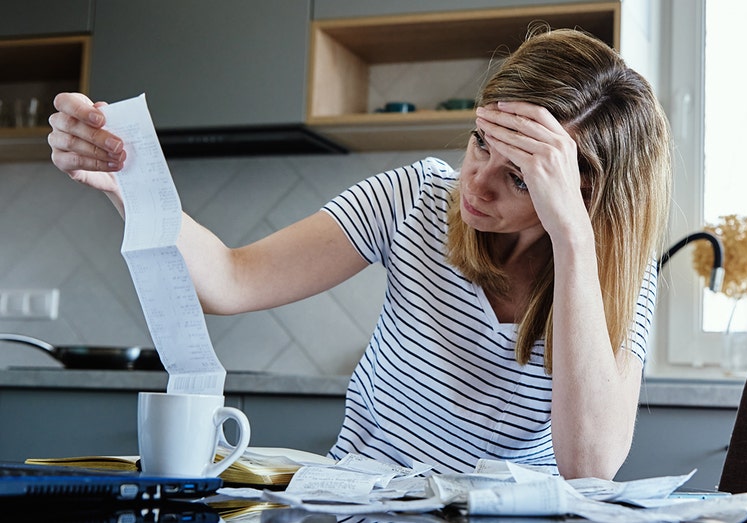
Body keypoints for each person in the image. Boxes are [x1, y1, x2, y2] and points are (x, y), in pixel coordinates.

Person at [46, 28, 672, 480]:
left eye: (520, 177)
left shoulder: (610, 268)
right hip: (363, 504)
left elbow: (590, 465)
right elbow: (231, 281)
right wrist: (130, 184)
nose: (476, 183)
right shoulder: (416, 197)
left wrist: (572, 240)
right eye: (481, 143)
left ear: (584, 195)